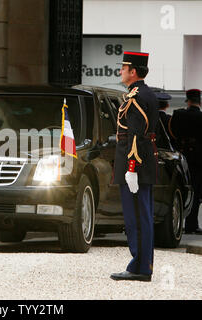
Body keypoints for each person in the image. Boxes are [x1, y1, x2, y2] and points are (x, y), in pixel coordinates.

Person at [111, 51, 159, 282]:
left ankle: (139, 267)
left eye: (124, 68)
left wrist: (131, 167)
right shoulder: (140, 93)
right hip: (142, 164)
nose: (120, 71)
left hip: (136, 166)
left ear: (134, 71)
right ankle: (143, 265)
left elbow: (136, 136)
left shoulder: (137, 97)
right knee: (142, 216)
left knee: (137, 218)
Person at [169, 89, 202, 234]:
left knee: (178, 188)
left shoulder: (178, 114)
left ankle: (176, 223)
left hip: (182, 156)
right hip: (198, 159)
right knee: (195, 190)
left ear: (188, 101)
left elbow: (171, 133)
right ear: (199, 102)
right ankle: (191, 224)